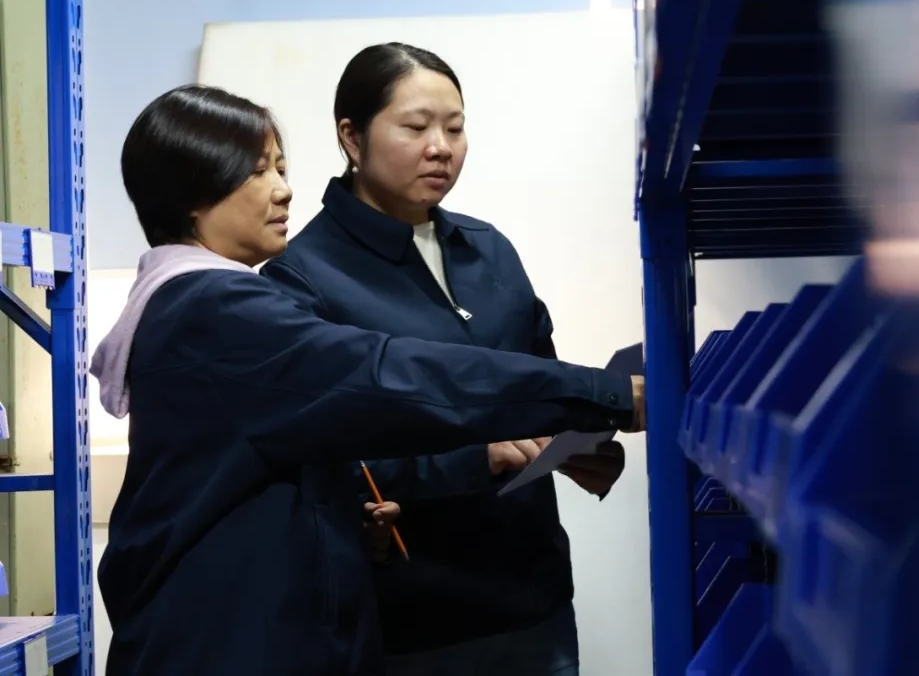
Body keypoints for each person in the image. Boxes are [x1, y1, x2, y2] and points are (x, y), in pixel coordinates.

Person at [93, 84, 646, 676]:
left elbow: (261, 482)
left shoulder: (208, 305)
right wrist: (602, 394)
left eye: (281, 167)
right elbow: (388, 377)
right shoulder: (216, 311)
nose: (283, 189)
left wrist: (346, 530)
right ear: (191, 195)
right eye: (255, 172)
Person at [261, 43, 627, 676]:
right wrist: (473, 458)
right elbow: (314, 466)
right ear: (352, 137)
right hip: (413, 624)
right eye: (416, 127)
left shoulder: (489, 249)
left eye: (455, 129)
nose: (441, 148)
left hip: (535, 603)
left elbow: (543, 388)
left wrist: (584, 448)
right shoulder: (303, 278)